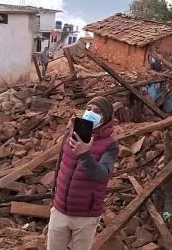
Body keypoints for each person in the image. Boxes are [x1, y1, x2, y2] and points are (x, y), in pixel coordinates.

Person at [47, 96, 119, 250]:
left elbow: (103, 175)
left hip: (86, 215)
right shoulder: (70, 135)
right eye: (88, 109)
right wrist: (54, 196)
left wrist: (85, 155)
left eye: (97, 111)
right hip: (60, 210)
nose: (90, 113)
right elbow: (60, 167)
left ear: (105, 118)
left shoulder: (110, 145)